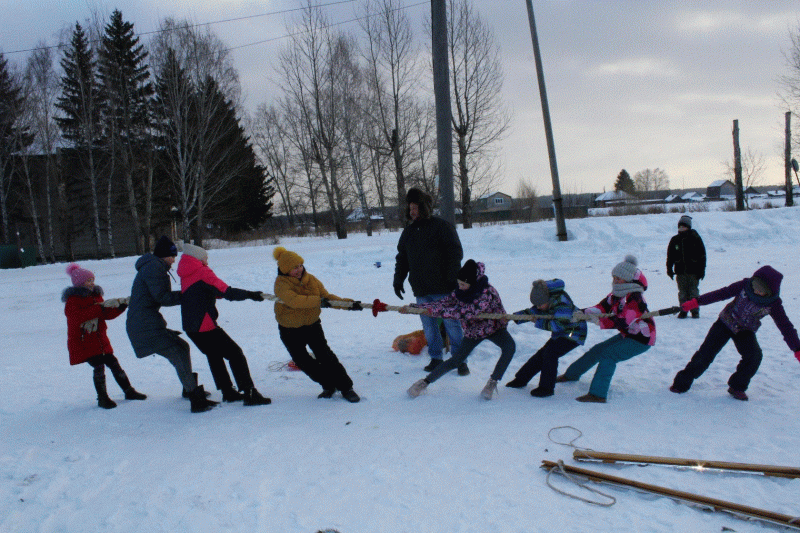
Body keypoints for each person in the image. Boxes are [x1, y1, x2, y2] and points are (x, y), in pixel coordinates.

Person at [670, 265, 800, 401]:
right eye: (755, 285)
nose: (755, 290)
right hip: (725, 322)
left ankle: (737, 386)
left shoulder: (774, 304)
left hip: (745, 330)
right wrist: (696, 302)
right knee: (705, 354)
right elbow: (721, 294)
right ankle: (681, 383)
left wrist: (797, 348)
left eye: (760, 289)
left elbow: (786, 327)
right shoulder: (745, 285)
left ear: (770, 291)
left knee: (754, 356)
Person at [126, 235, 218, 413]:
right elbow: (163, 298)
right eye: (172, 256)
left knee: (181, 347)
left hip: (145, 323)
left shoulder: (153, 266)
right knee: (177, 351)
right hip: (144, 327)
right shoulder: (154, 268)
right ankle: (195, 398)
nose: (174, 260)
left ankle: (189, 388)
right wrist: (190, 294)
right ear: (163, 255)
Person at [176, 243, 271, 406]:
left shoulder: (186, 272)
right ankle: (249, 392)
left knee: (214, 355)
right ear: (198, 258)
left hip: (191, 327)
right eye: (205, 257)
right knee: (235, 353)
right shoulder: (201, 271)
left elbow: (201, 292)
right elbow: (226, 291)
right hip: (204, 325)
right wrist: (251, 295)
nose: (207, 260)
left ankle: (227, 392)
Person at [406, 260, 516, 400]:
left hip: (494, 328)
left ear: (473, 283)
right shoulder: (461, 291)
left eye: (463, 284)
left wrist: (433, 312)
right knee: (456, 360)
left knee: (510, 347)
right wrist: (417, 308)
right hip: (474, 331)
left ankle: (492, 382)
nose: (460, 287)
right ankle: (424, 382)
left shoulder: (486, 293)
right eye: (459, 283)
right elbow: (444, 302)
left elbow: (462, 312)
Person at [556, 255, 656, 403]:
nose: (615, 281)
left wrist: (598, 321)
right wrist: (580, 314)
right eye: (614, 277)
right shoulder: (616, 294)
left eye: (619, 278)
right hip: (628, 334)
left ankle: (598, 394)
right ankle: (571, 375)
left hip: (642, 338)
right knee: (597, 350)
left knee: (608, 355)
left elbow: (622, 321)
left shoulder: (635, 298)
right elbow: (601, 308)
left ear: (628, 280)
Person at [272, 246, 362, 403]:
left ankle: (346, 387)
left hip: (312, 325)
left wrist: (349, 304)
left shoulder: (311, 279)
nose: (299, 269)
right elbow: (294, 300)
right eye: (294, 268)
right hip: (289, 329)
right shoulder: (281, 284)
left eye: (300, 265)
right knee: (302, 361)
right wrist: (319, 301)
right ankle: (328, 385)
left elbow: (327, 297)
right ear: (285, 269)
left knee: (325, 356)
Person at [393, 187, 466, 375]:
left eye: (415, 207)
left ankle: (459, 360)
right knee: (429, 326)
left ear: (424, 207)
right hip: (421, 289)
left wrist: (452, 278)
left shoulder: (442, 227)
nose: (412, 212)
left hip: (444, 287)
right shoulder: (408, 233)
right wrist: (398, 279)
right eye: (410, 208)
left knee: (452, 324)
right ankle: (435, 358)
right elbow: (402, 258)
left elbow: (455, 252)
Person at [63, 263, 146, 409]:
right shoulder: (73, 300)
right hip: (84, 342)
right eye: (88, 280)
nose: (92, 283)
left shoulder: (96, 295)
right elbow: (77, 317)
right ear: (80, 283)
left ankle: (129, 391)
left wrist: (120, 307)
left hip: (100, 339)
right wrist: (99, 307)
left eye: (92, 279)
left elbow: (105, 314)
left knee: (114, 364)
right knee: (99, 367)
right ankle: (102, 398)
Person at [506, 279, 587, 397]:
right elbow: (533, 311)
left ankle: (546, 388)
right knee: (542, 354)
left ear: (547, 299)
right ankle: (521, 379)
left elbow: (558, 326)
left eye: (540, 304)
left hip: (574, 334)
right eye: (537, 304)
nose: (538, 307)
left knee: (550, 353)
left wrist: (538, 322)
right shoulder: (546, 300)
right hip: (562, 334)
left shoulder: (562, 304)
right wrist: (515, 317)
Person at [666, 215, 706, 318]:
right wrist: (669, 269)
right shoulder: (675, 240)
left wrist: (702, 270)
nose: (681, 229)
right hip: (680, 272)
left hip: (694, 272)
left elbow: (702, 255)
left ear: (688, 227)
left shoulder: (695, 238)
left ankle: (695, 310)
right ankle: (683, 309)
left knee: (693, 291)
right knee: (682, 292)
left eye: (684, 227)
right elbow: (670, 256)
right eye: (680, 227)